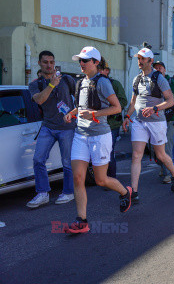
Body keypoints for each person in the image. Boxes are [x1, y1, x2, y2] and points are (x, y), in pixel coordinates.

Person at [63, 46, 132, 233]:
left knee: (101, 180)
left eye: (85, 61)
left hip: (100, 136)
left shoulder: (103, 82)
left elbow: (117, 108)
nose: (81, 64)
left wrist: (94, 114)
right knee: (78, 177)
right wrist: (72, 113)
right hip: (81, 135)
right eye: (80, 60)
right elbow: (81, 107)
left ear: (95, 62)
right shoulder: (80, 82)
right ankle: (82, 220)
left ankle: (125, 192)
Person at [122, 48, 174, 201]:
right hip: (139, 122)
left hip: (156, 122)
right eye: (138, 58)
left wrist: (155, 108)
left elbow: (171, 101)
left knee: (160, 154)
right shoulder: (137, 79)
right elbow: (134, 101)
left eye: (143, 59)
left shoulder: (159, 78)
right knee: (136, 155)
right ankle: (134, 192)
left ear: (150, 61)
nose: (139, 61)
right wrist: (128, 115)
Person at [27, 51, 76, 208]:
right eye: (45, 62)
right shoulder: (35, 84)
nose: (49, 65)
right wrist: (51, 85)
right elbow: (40, 100)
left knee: (67, 162)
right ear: (40, 63)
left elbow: (80, 96)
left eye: (51, 62)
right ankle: (43, 193)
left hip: (67, 127)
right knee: (38, 159)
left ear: (54, 63)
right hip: (48, 127)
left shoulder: (67, 79)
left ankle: (68, 192)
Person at [98, 58, 128, 181]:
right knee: (101, 152)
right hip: (98, 123)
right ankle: (102, 177)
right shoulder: (94, 83)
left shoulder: (114, 84)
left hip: (112, 124)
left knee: (109, 151)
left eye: (102, 70)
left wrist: (110, 108)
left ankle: (111, 178)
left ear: (107, 71)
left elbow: (123, 101)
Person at [152, 61, 174, 183]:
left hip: (168, 119)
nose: (158, 70)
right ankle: (164, 168)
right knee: (155, 149)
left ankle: (170, 173)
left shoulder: (170, 82)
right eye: (156, 68)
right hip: (154, 119)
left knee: (166, 148)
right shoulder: (152, 80)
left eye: (160, 68)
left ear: (165, 70)